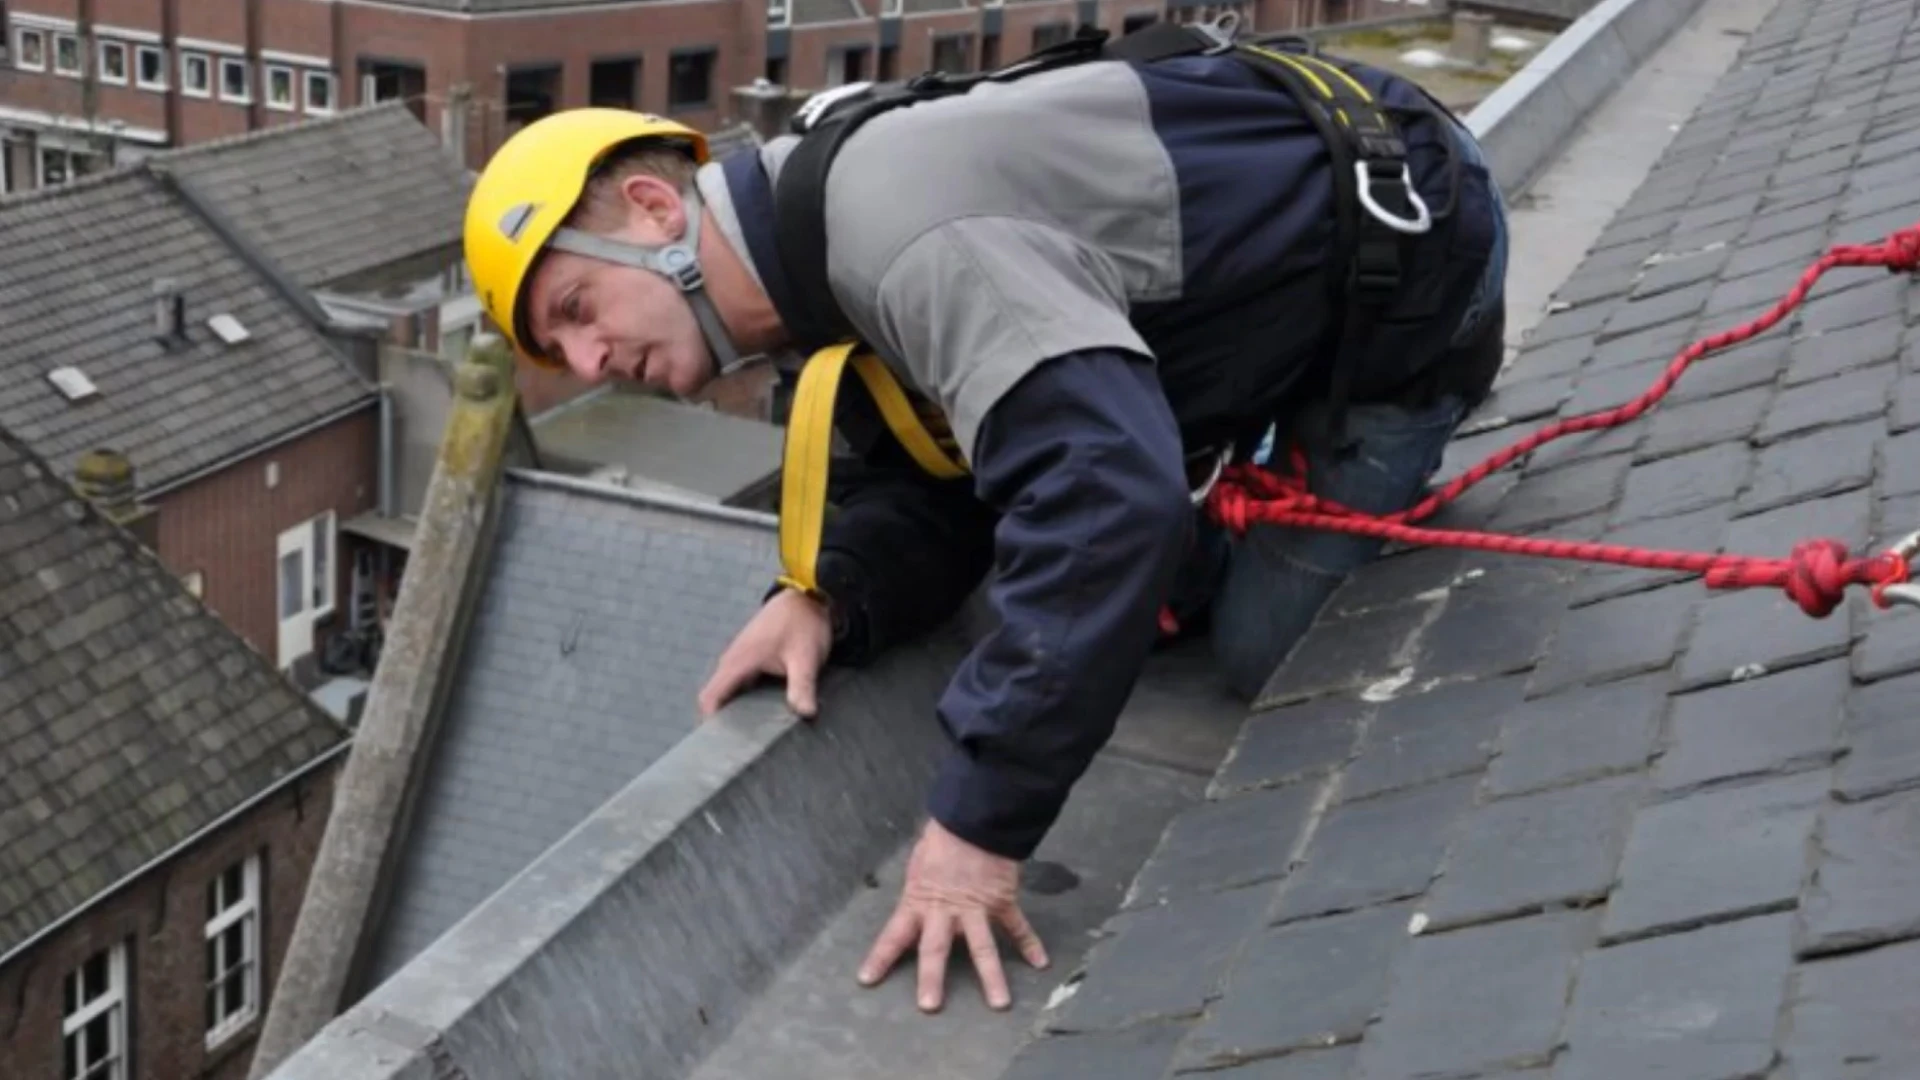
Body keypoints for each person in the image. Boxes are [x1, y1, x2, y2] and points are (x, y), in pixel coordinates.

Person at [461, 19, 1509, 1018]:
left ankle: (1312, 466)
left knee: (1260, 651)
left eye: (576, 310)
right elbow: (934, 476)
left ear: (653, 210)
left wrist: (976, 826)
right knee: (1096, 586)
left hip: (1412, 260)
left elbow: (1108, 500)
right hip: (1234, 306)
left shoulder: (903, 237)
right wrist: (829, 594)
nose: (592, 364)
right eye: (562, 355)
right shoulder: (803, 253)